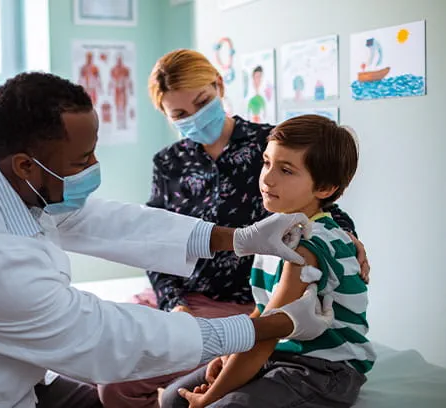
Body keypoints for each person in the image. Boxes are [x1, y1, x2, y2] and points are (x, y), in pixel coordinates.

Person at [0, 72, 335, 408]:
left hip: (9, 375)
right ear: (27, 164)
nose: (93, 170)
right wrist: (268, 326)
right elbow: (104, 337)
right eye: (82, 159)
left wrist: (241, 238)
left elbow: (105, 222)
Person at [98, 49, 370, 408]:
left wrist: (350, 240)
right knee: (115, 382)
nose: (195, 117)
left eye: (202, 102)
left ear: (219, 85)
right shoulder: (168, 163)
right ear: (166, 115)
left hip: (247, 304)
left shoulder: (268, 144)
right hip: (193, 301)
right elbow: (156, 241)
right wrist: (175, 305)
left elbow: (321, 208)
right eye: (180, 113)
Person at [166, 115, 376, 408]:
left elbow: (266, 335)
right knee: (169, 398)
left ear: (325, 189)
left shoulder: (306, 248)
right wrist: (227, 356)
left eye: (286, 170)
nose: (267, 177)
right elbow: (262, 313)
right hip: (281, 354)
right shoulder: (272, 234)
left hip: (322, 369)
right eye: (267, 162)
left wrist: (211, 397)